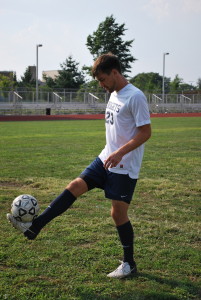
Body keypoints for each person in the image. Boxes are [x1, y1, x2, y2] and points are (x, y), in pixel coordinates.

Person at [7, 53, 151, 279]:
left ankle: (129, 264)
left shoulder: (135, 97)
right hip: (105, 158)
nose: (101, 85)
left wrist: (120, 152)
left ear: (115, 72)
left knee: (118, 213)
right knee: (75, 185)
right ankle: (33, 227)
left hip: (124, 165)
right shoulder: (113, 93)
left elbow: (146, 132)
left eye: (103, 79)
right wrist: (110, 152)